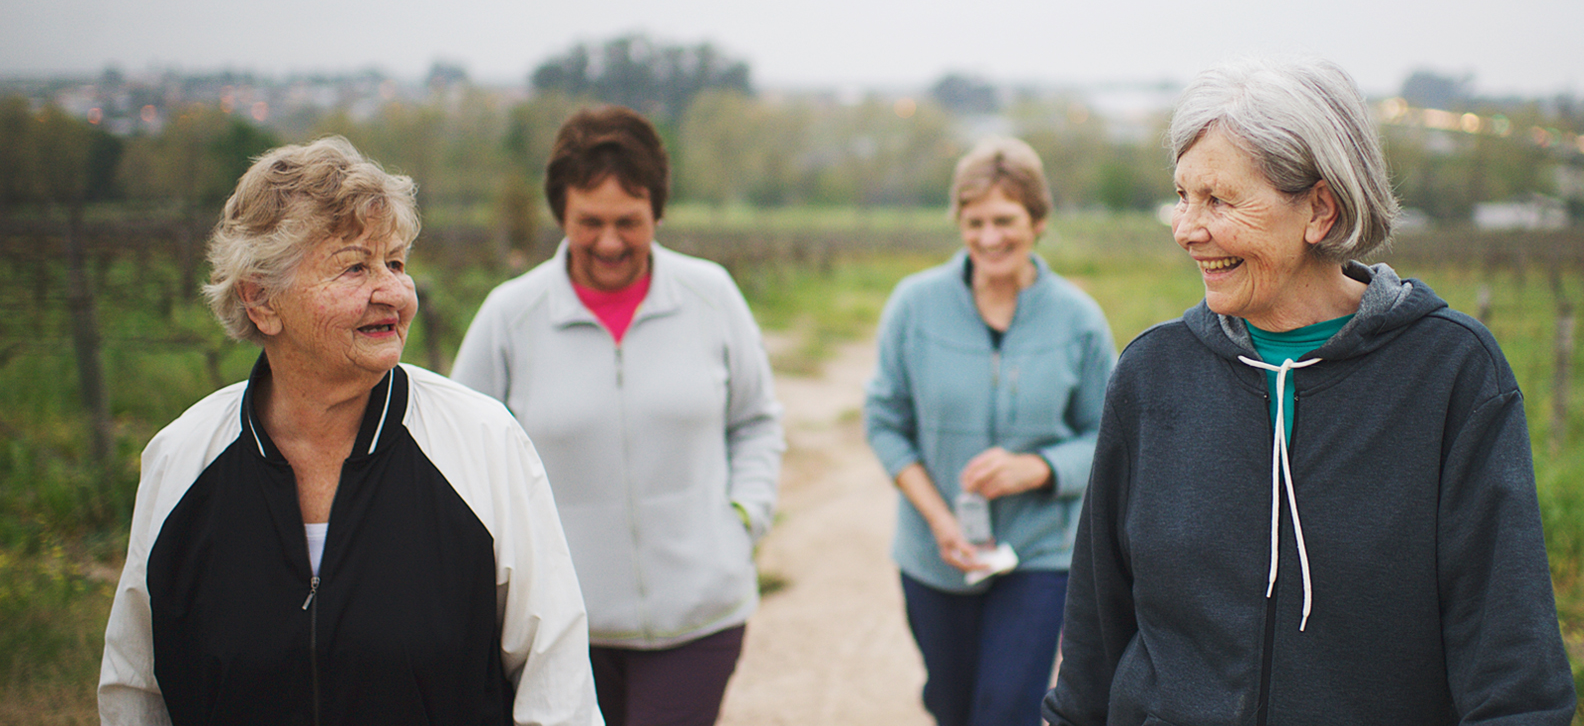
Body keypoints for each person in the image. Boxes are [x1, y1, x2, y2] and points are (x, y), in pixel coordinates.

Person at [1042, 58, 1577, 725]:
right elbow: (1095, 630)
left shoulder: (1451, 376)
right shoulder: (1154, 376)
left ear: (1320, 209)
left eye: (1219, 200)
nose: (1186, 229)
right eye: (1182, 196)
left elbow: (1512, 666)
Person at [97, 136, 601, 726]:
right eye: (354, 267)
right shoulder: (181, 459)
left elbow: (556, 686)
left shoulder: (483, 442)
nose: (392, 291)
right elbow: (135, 689)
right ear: (261, 300)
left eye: (395, 262)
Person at [451, 105, 784, 726]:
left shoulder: (712, 297)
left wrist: (742, 520)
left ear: (658, 213)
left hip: (698, 620)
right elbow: (457, 456)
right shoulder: (509, 317)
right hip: (555, 629)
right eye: (590, 222)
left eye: (628, 222)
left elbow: (757, 419)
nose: (609, 242)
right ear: (562, 216)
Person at [865, 136, 1117, 726]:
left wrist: (1041, 468)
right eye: (973, 221)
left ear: (1038, 220)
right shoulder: (914, 305)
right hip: (935, 554)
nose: (989, 237)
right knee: (951, 707)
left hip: (1040, 552)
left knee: (1005, 709)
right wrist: (939, 519)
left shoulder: (1078, 319)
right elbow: (884, 422)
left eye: (1005, 219)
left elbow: (1108, 437)